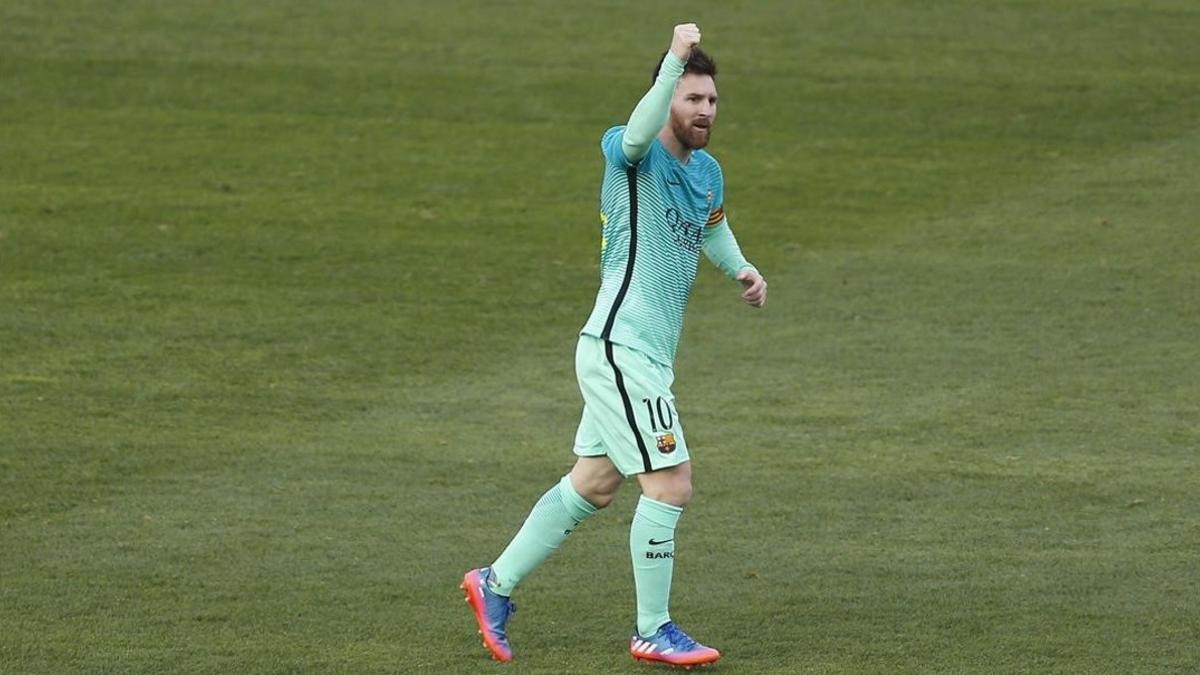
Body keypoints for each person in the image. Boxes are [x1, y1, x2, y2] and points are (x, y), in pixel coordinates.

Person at [461, 22, 767, 668]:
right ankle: (651, 627)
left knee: (595, 484)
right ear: (667, 97)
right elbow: (636, 131)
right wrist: (674, 58)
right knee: (670, 482)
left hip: (643, 356)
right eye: (692, 98)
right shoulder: (629, 154)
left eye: (712, 100)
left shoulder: (706, 173)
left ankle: (493, 582)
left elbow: (712, 225)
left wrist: (740, 267)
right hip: (618, 348)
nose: (705, 111)